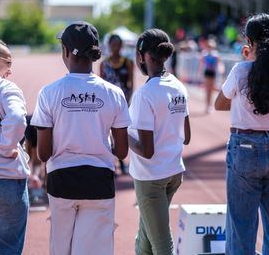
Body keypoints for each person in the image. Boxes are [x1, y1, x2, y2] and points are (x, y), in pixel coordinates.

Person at [31, 21, 131, 255]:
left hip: (61, 181)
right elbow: (122, 152)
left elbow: (43, 154)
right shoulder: (114, 93)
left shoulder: (49, 92)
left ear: (65, 51)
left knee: (61, 249)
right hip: (99, 181)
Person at [128, 29, 191, 255]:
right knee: (144, 243)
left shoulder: (145, 94)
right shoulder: (178, 86)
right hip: (173, 172)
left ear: (143, 56)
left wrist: (120, 129)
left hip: (151, 178)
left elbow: (146, 150)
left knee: (163, 246)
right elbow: (188, 135)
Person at [215, 13, 269, 255]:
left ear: (248, 41)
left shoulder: (240, 71)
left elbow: (220, 104)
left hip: (244, 148)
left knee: (241, 227)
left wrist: (247, 61)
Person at [0, 40, 30, 254]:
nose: (10, 69)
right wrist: (6, 147)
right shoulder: (5, 88)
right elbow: (18, 118)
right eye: (8, 62)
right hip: (7, 177)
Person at [100, 33, 134, 175]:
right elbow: (100, 85)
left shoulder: (128, 62)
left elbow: (131, 84)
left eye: (118, 45)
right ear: (109, 46)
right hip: (107, 103)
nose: (115, 47)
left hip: (122, 103)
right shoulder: (104, 63)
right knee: (108, 133)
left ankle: (122, 162)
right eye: (113, 45)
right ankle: (112, 162)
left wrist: (127, 101)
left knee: (121, 133)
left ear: (121, 46)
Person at [199, 38, 220, 113]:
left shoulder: (216, 55)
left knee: (212, 90)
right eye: (209, 46)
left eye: (211, 46)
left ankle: (210, 105)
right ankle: (207, 105)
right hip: (207, 73)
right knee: (208, 90)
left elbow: (219, 64)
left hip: (213, 73)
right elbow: (201, 64)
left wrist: (221, 71)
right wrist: (200, 73)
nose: (209, 48)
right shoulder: (204, 54)